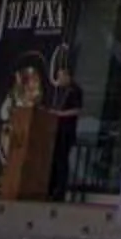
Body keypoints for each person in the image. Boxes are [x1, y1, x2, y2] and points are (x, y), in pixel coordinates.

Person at [48, 74, 85, 203]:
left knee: (62, 160)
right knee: (54, 160)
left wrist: (59, 114)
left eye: (62, 76)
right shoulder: (59, 91)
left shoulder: (75, 91)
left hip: (66, 130)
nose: (60, 80)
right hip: (56, 130)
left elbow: (77, 110)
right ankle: (51, 187)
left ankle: (60, 190)